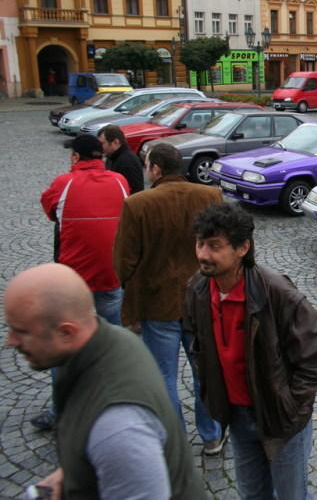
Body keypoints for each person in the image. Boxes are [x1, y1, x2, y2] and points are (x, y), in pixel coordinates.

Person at [4, 263, 206, 500]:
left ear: (67, 332)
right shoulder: (115, 340)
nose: (11, 341)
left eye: (22, 331)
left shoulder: (118, 427)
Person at [186, 203, 317, 499]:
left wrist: (289, 404)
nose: (203, 254)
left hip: (280, 421)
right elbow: (195, 341)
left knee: (291, 495)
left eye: (214, 246)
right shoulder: (198, 289)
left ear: (243, 248)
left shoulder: (276, 292)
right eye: (200, 243)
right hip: (238, 417)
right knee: (252, 495)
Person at [113, 143, 226, 455]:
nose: (147, 171)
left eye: (148, 165)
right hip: (202, 301)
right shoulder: (209, 196)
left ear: (157, 169)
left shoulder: (137, 204)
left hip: (157, 303)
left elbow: (124, 261)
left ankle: (172, 440)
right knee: (205, 372)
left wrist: (130, 296)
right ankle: (212, 435)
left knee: (163, 376)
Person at [34, 134, 130, 431]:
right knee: (112, 346)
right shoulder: (119, 182)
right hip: (111, 279)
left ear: (76, 157)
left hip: (73, 285)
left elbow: (51, 211)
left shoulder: (63, 184)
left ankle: (62, 409)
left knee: (62, 347)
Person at [99, 124, 144, 194]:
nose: (100, 147)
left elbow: (135, 192)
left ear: (115, 142)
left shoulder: (128, 162)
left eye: (102, 143)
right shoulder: (111, 156)